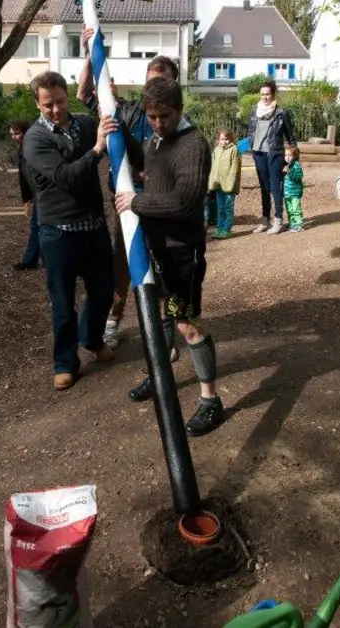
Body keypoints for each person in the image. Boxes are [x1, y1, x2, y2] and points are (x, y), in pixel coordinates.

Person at [115, 78, 224, 435]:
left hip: (182, 251)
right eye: (152, 116)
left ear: (179, 110)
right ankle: (160, 375)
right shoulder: (157, 139)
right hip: (157, 246)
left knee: (186, 323)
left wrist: (137, 201)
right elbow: (143, 159)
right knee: (161, 311)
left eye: (165, 116)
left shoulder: (193, 145)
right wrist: (116, 125)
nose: (158, 123)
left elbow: (184, 201)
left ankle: (211, 400)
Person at [77, 25, 181, 350]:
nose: (155, 89)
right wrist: (89, 51)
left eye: (162, 83)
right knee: (121, 264)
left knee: (163, 268)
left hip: (161, 207)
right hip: (127, 205)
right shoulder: (129, 111)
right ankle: (113, 320)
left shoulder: (178, 123)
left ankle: (164, 332)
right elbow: (84, 94)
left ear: (174, 86)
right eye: (151, 82)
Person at [22, 70, 119, 390]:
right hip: (57, 231)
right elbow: (66, 177)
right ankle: (65, 362)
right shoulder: (35, 139)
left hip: (93, 225)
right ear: (38, 104)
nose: (56, 109)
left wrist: (109, 101)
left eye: (60, 101)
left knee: (103, 289)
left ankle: (91, 338)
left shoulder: (84, 125)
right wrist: (96, 149)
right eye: (48, 104)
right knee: (63, 301)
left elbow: (110, 129)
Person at [246, 79, 297, 235]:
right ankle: (265, 220)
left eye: (267, 94)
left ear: (273, 94)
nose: (265, 97)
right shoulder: (255, 112)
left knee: (275, 188)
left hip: (275, 154)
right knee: (264, 188)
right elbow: (251, 132)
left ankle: (278, 220)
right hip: (258, 153)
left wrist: (292, 162)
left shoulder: (281, 113)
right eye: (262, 94)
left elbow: (291, 138)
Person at [10, 121, 42, 270]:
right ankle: (37, 258)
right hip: (38, 194)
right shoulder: (22, 148)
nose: (14, 137)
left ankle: (31, 260)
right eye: (12, 134)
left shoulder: (32, 148)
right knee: (41, 226)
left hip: (44, 193)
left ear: (26, 133)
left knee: (38, 226)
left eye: (17, 134)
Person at [208, 127, 241, 239]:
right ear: (218, 139)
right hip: (218, 184)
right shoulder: (216, 150)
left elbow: (235, 169)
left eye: (227, 139)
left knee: (228, 208)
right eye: (222, 139)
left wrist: (231, 184)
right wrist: (211, 182)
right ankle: (220, 228)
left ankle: (227, 230)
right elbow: (213, 167)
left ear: (231, 139)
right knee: (220, 208)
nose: (224, 141)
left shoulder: (234, 150)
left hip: (229, 185)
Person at [282, 144, 306, 232]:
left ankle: (299, 224)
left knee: (296, 209)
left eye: (290, 155)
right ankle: (292, 223)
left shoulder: (296, 165)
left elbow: (298, 176)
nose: (287, 157)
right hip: (287, 192)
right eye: (286, 155)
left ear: (295, 156)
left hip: (295, 192)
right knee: (289, 209)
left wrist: (289, 172)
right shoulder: (286, 165)